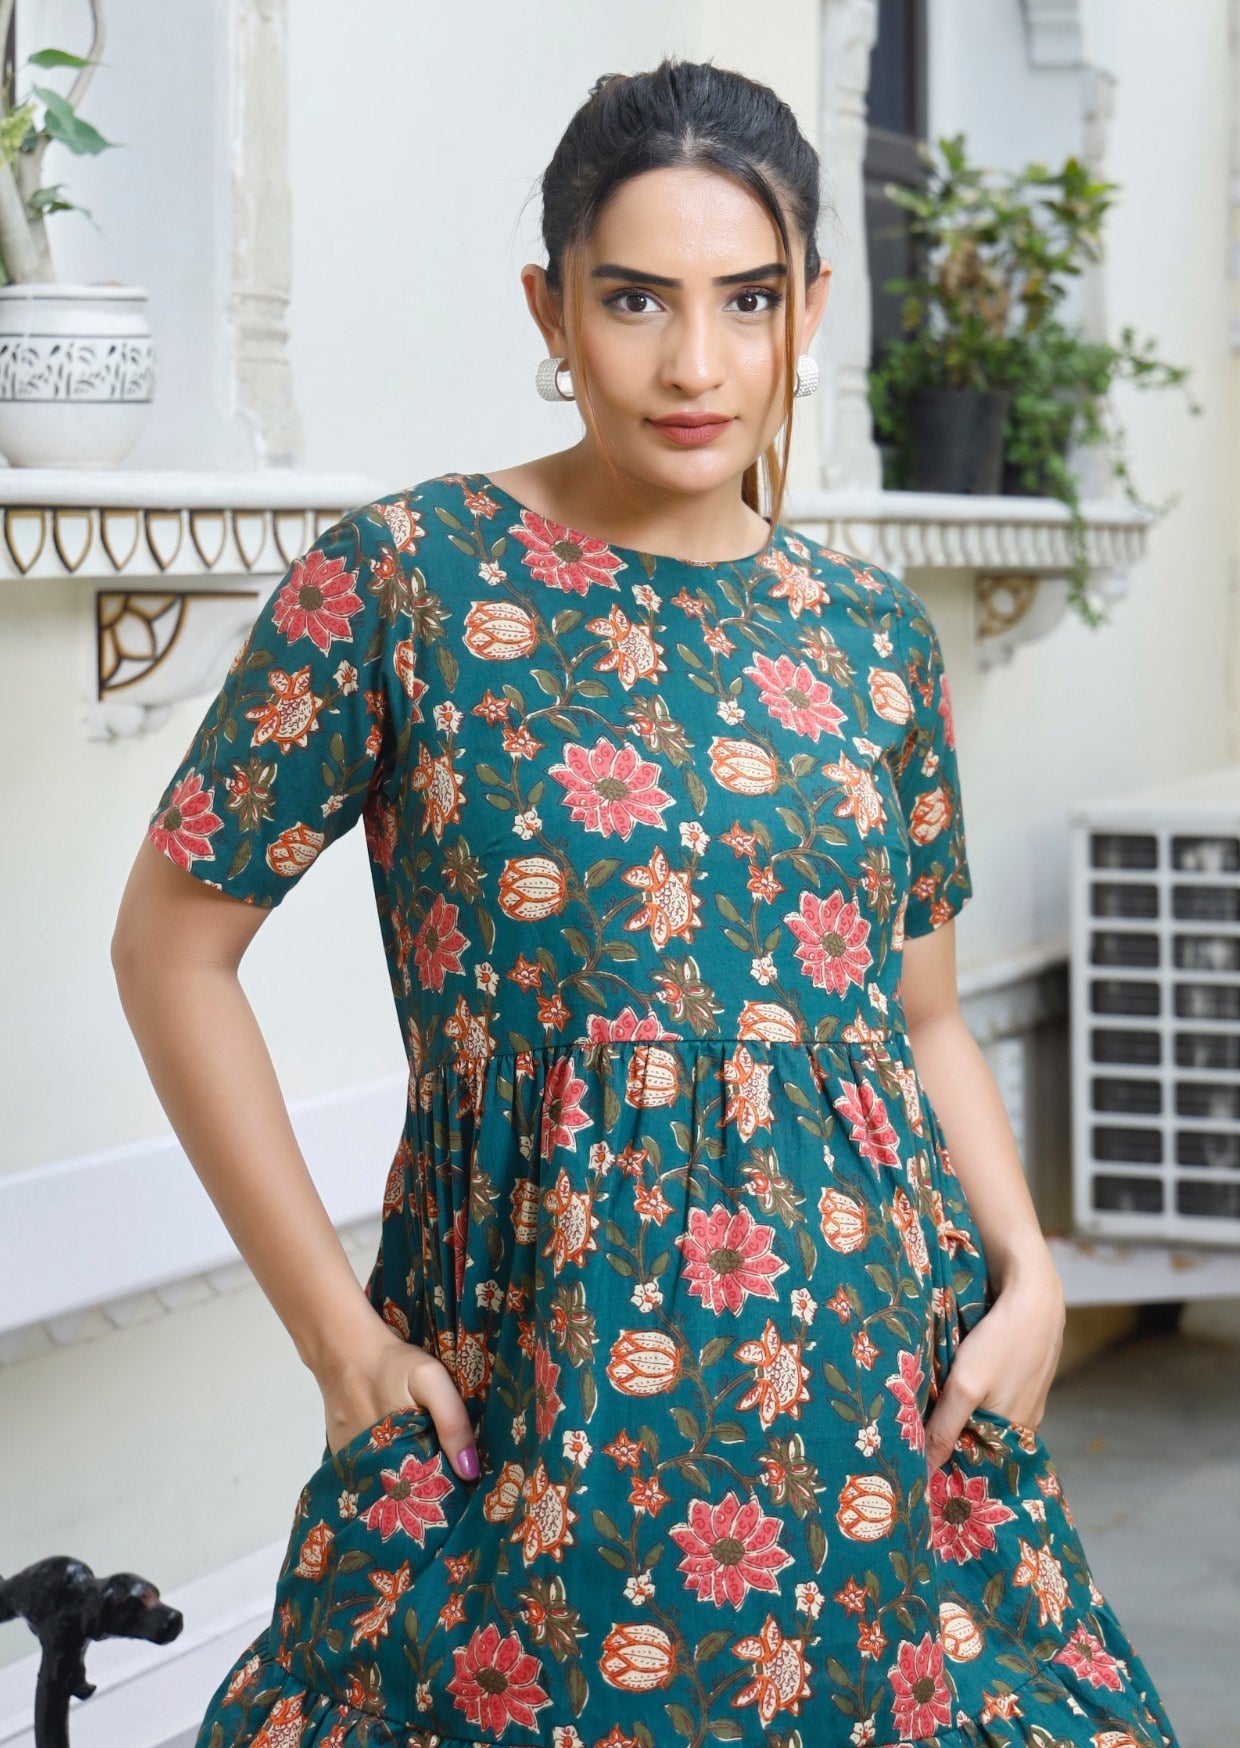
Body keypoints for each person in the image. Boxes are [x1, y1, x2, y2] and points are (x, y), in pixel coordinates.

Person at [112, 55, 1180, 1748]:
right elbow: (172, 953)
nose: (697, 365)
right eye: (634, 300)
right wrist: (340, 1341)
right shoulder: (404, 584)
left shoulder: (872, 640)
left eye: (747, 302)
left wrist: (1030, 1267)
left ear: (811, 307)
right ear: (548, 304)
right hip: (540, 1409)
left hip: (872, 1406)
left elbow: (916, 1017)